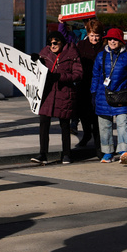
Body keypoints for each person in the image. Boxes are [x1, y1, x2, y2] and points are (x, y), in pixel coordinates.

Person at [33, 30, 82, 165]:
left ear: (62, 42)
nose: (52, 45)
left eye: (55, 43)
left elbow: (78, 74)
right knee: (44, 123)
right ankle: (42, 154)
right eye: (50, 43)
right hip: (47, 93)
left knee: (65, 125)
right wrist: (34, 60)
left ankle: (66, 154)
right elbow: (36, 71)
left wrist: (60, 77)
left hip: (64, 93)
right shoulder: (45, 53)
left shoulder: (72, 53)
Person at [90, 28, 127, 164]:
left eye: (115, 39)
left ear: (121, 41)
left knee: (123, 123)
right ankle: (108, 153)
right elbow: (95, 77)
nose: (112, 41)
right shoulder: (100, 56)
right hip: (102, 95)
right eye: (110, 39)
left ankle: (123, 152)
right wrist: (93, 94)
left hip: (122, 95)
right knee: (104, 125)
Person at [59, 16, 105, 149]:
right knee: (82, 113)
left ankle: (98, 142)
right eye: (92, 35)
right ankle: (86, 135)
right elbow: (66, 40)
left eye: (96, 35)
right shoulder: (81, 45)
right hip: (84, 83)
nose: (94, 38)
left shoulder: (104, 47)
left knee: (96, 115)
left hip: (99, 86)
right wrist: (62, 24)